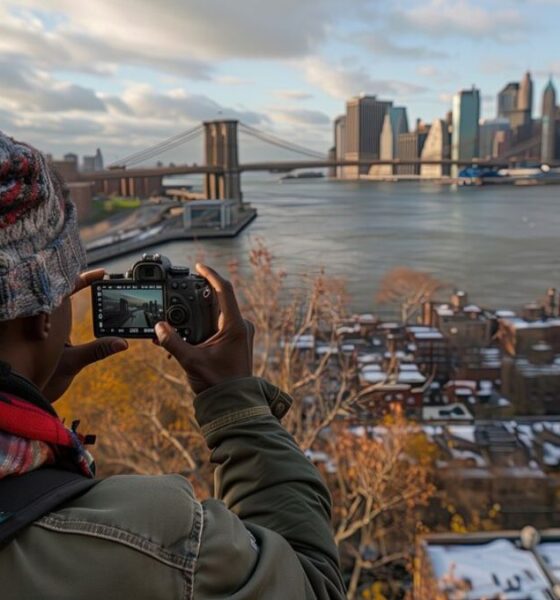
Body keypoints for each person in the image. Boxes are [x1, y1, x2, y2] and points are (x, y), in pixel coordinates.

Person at [0, 131, 346, 599]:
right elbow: (312, 584)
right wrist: (236, 405)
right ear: (43, 315)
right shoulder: (159, 542)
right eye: (63, 292)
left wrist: (27, 393)